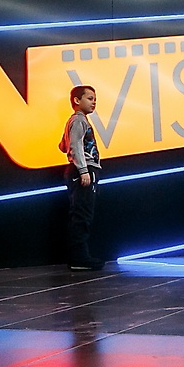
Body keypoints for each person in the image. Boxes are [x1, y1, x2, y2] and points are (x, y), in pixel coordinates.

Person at [60, 85, 104, 270]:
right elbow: (74, 146)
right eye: (90, 98)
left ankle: (79, 257)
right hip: (83, 171)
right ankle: (79, 258)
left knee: (81, 213)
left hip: (80, 170)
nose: (94, 102)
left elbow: (62, 146)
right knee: (82, 214)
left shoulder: (77, 121)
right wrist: (83, 170)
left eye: (95, 99)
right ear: (77, 100)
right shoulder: (78, 120)